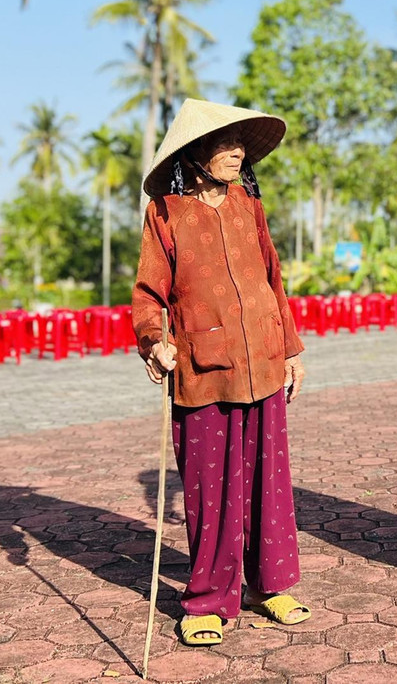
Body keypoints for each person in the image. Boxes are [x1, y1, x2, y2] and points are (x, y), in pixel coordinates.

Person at [133, 98, 310, 646]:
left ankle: (268, 585)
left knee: (268, 481)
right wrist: (154, 343)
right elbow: (147, 293)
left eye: (240, 144)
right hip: (204, 369)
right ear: (195, 152)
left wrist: (291, 349)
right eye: (225, 143)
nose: (237, 153)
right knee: (212, 490)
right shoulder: (165, 212)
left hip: (263, 359)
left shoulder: (248, 206)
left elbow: (273, 279)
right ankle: (208, 600)